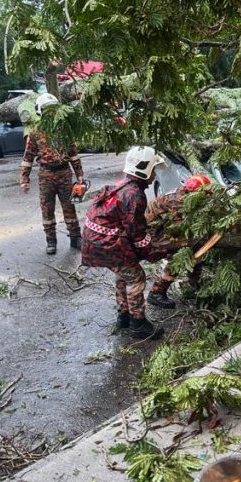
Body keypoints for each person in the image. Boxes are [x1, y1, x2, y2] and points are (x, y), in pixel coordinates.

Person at [81, 145, 166, 340]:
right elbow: (137, 233)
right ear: (144, 169)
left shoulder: (124, 184)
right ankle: (138, 324)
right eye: (153, 169)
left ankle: (124, 316)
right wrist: (153, 252)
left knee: (123, 275)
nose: (154, 175)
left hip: (94, 240)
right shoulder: (134, 194)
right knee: (136, 277)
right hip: (107, 243)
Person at [19, 93, 85, 255]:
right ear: (40, 111)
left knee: (69, 207)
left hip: (64, 173)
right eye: (47, 110)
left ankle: (76, 238)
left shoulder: (64, 130)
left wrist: (80, 174)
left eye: (53, 110)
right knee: (47, 209)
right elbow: (28, 157)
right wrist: (24, 179)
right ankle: (51, 241)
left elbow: (73, 153)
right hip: (46, 175)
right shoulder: (35, 132)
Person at [144, 174, 212, 309]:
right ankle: (156, 293)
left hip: (164, 227)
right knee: (180, 257)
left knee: (196, 251)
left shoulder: (187, 194)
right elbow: (180, 230)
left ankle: (193, 285)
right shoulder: (179, 203)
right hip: (153, 233)